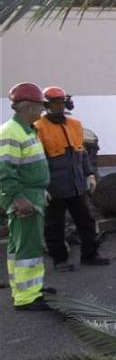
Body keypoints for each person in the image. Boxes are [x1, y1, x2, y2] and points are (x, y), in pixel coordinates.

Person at [34, 86, 109, 271]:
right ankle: (60, 260)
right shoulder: (38, 128)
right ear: (46, 105)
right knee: (54, 226)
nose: (58, 107)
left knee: (86, 221)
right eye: (54, 103)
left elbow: (81, 153)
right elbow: (36, 161)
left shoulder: (75, 125)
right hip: (54, 188)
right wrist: (40, 186)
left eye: (60, 103)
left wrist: (89, 174)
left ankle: (90, 255)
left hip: (76, 186)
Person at [0, 83, 52, 311]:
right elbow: (4, 170)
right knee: (28, 247)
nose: (42, 111)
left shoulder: (26, 129)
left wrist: (42, 190)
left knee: (18, 246)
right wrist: (18, 198)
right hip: (24, 197)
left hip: (32, 193)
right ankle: (28, 297)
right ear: (27, 106)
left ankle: (26, 288)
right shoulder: (12, 131)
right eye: (39, 106)